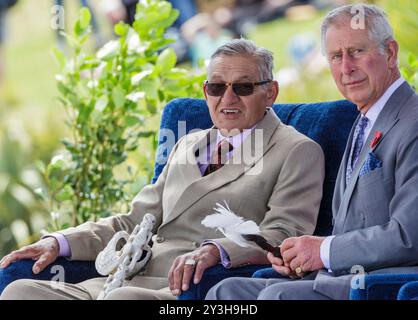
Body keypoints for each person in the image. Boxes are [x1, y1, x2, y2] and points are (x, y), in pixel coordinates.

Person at [0, 38, 325, 300]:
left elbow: (283, 237)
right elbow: (133, 220)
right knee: (20, 291)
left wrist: (216, 251)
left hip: (187, 289)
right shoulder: (188, 144)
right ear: (205, 92)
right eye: (216, 87)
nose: (228, 97)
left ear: (270, 92)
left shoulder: (296, 151)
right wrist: (59, 242)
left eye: (242, 87)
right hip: (124, 277)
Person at [206, 3, 418, 300]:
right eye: (335, 56)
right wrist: (304, 254)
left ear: (391, 53)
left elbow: (410, 236)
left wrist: (324, 251)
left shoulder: (412, 121)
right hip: (337, 277)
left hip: (381, 284)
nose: (346, 68)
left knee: (273, 298)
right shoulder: (364, 120)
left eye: (357, 52)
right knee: (226, 292)